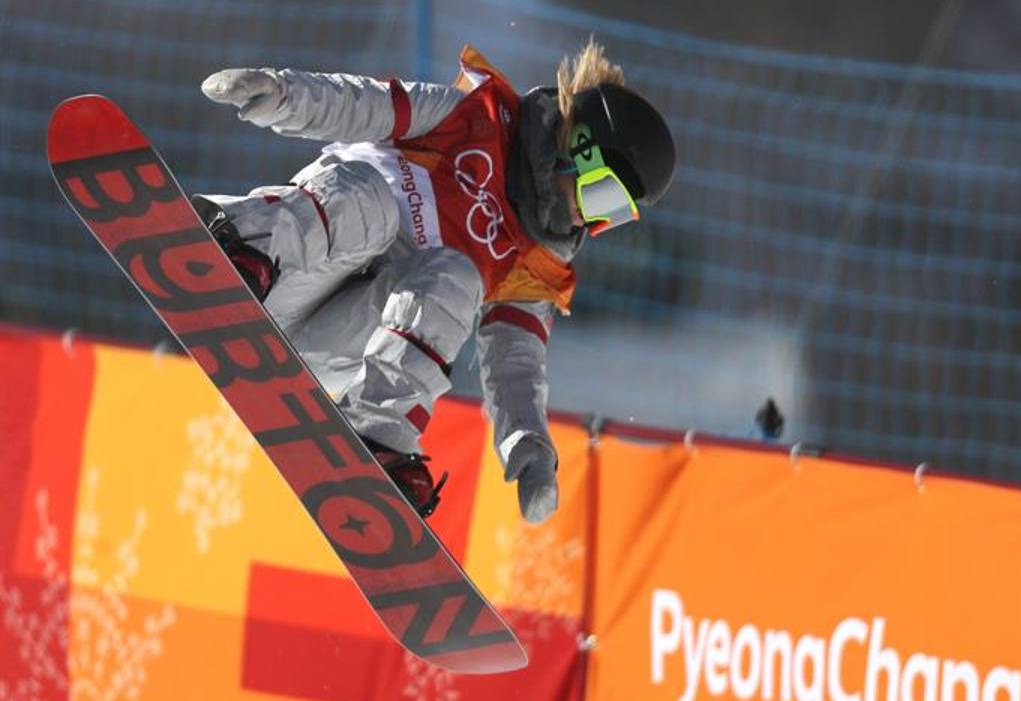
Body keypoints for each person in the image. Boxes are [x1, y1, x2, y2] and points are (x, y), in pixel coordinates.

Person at [195, 40, 675, 524]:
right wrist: (281, 94)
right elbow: (361, 104)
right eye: (603, 197)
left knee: (458, 276)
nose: (591, 222)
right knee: (370, 201)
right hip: (281, 272)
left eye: (615, 217)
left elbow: (516, 365)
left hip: (330, 350)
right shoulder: (472, 119)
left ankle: (376, 439)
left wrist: (528, 443)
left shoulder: (534, 261)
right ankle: (235, 253)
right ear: (580, 148)